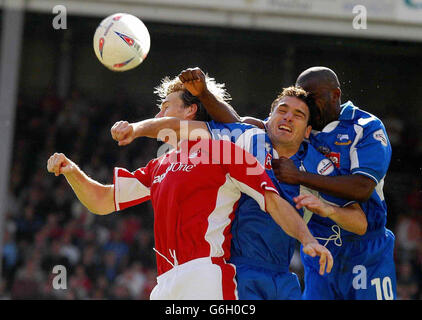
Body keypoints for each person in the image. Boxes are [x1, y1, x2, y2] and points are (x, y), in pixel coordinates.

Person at [47, 73, 333, 300]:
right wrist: (72, 172)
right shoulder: (158, 165)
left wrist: (307, 239)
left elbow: (273, 201)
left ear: (189, 111)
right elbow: (102, 201)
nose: (159, 114)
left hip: (205, 276)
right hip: (165, 283)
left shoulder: (225, 151)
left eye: (166, 106)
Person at [111, 74, 366, 299]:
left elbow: (359, 222)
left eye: (298, 115)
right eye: (282, 110)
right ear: (269, 118)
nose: (288, 118)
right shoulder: (246, 138)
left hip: (283, 274)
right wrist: (136, 129)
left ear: (308, 130)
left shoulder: (318, 168)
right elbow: (179, 127)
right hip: (238, 272)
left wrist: (327, 208)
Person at [174, 67, 396, 300]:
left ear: (335, 94)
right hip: (319, 243)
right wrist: (205, 94)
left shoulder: (365, 127)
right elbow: (240, 124)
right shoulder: (301, 124)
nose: (306, 106)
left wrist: (299, 176)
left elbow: (362, 188)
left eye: (313, 99)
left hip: (365, 247)